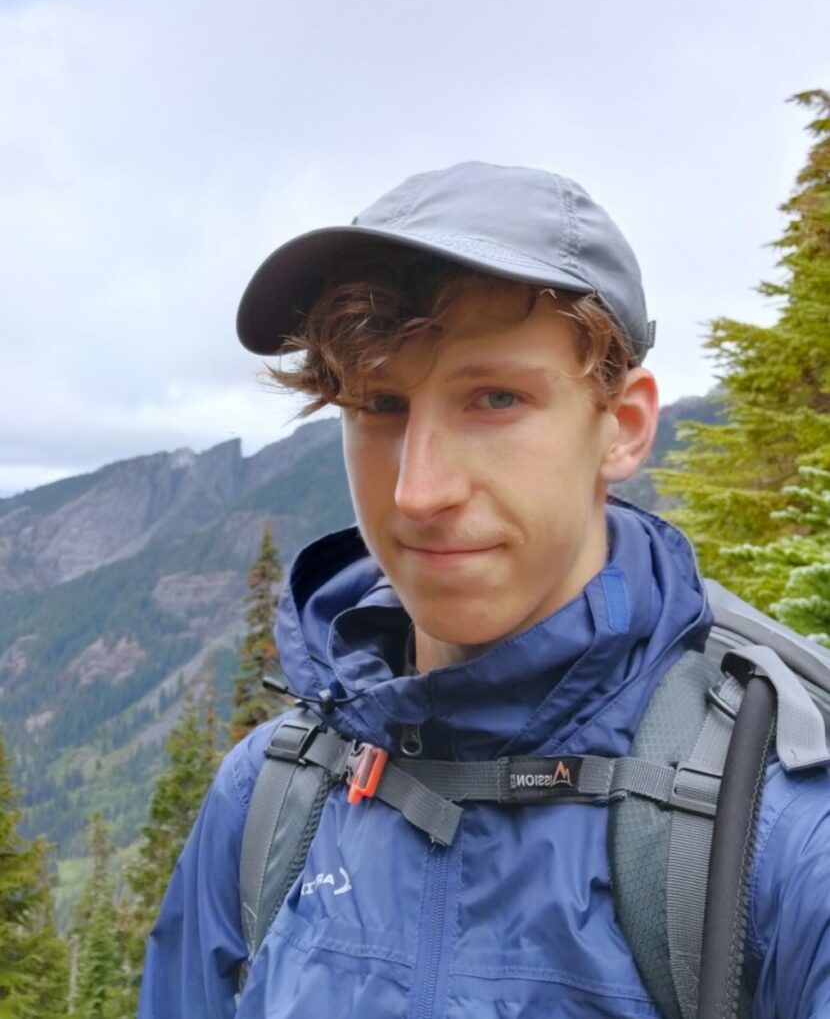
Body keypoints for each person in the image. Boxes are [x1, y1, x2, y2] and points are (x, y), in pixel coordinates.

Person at [138, 162, 830, 1018]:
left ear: (624, 427)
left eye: (495, 399)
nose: (418, 493)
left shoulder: (777, 833)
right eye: (381, 405)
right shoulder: (269, 796)